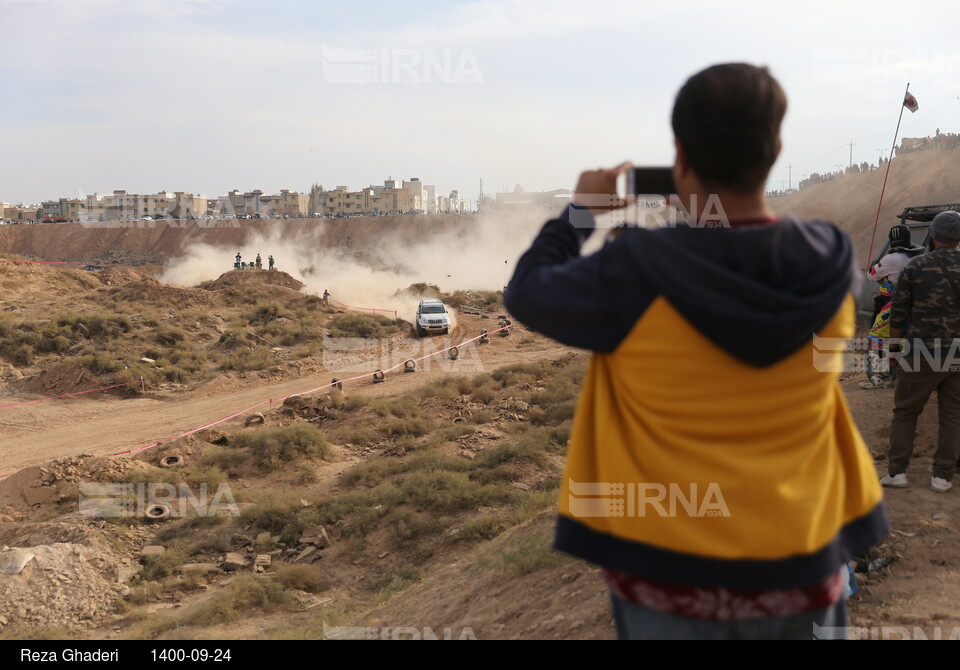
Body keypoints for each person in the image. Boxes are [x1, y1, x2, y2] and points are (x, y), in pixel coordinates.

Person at [505, 63, 888, 640]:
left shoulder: (635, 269)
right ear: (776, 148)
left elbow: (528, 291)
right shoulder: (829, 258)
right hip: (803, 557)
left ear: (680, 155)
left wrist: (580, 213)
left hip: (670, 576)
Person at [881, 211, 960, 493]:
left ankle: (897, 472)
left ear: (934, 236)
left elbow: (898, 315)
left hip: (919, 352)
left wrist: (892, 351)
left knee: (906, 411)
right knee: (952, 415)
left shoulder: (915, 267)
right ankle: (943, 477)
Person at [860, 224, 924, 389]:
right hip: (912, 307)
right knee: (901, 339)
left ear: (892, 240)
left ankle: (879, 377)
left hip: (893, 306)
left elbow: (872, 276)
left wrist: (874, 267)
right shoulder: (915, 257)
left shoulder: (890, 259)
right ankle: (898, 376)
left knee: (875, 338)